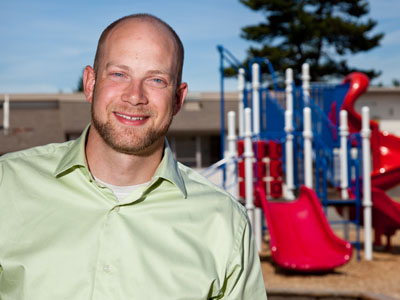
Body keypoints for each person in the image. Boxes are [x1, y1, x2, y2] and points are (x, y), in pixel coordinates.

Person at [0, 14, 267, 299]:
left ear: (178, 98)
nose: (135, 96)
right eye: (119, 74)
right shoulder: (8, 186)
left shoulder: (225, 224)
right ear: (90, 83)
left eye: (156, 79)